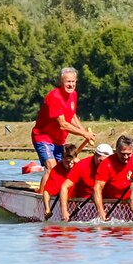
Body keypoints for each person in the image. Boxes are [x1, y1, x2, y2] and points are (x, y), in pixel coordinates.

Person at [31, 67, 95, 195]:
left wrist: (85, 133)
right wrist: (84, 133)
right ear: (61, 82)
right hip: (43, 137)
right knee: (51, 167)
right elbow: (63, 125)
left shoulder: (73, 95)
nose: (71, 85)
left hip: (59, 140)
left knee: (67, 166)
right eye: (68, 82)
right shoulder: (54, 96)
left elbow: (72, 116)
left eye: (73, 82)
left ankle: (64, 193)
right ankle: (41, 196)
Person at [93, 135, 133, 221]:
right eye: (123, 154)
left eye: (128, 154)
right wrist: (101, 211)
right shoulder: (106, 163)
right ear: (116, 150)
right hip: (112, 205)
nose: (126, 157)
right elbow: (97, 188)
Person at [59, 143, 112, 221]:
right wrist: (64, 210)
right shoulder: (82, 165)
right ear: (95, 155)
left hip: (108, 204)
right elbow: (64, 187)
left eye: (105, 161)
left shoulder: (112, 164)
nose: (103, 164)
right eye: (100, 161)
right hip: (84, 206)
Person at [42, 144, 77, 217]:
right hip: (65, 202)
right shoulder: (56, 170)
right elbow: (47, 191)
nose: (70, 165)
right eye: (67, 162)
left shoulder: (80, 165)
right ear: (62, 158)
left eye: (72, 162)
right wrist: (47, 209)